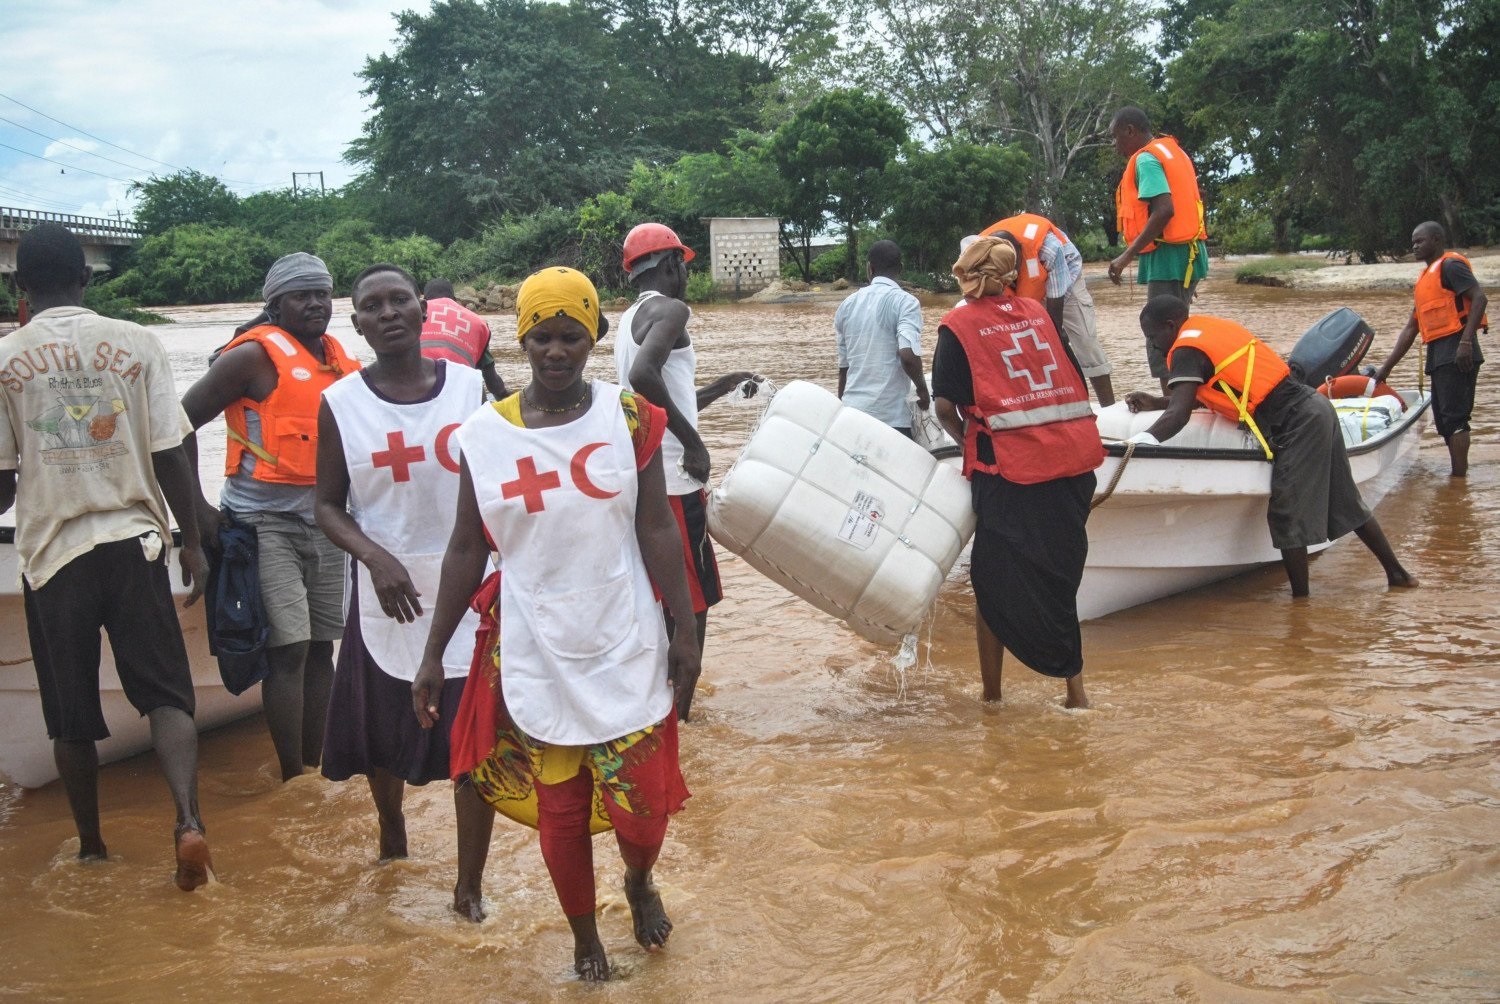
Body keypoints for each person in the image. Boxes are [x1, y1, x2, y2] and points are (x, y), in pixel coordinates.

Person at [411, 266, 702, 981]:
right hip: (537, 646)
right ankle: (584, 939)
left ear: (595, 336)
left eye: (572, 336)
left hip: (624, 635)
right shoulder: (483, 435)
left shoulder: (628, 417)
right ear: (522, 339)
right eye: (541, 338)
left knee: (642, 811)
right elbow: (465, 548)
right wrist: (430, 654)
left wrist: (685, 627)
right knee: (563, 809)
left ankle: (638, 880)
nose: (556, 352)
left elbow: (657, 525)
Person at [0, 224, 213, 890]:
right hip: (134, 544)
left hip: (51, 554)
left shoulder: (6, 359)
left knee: (69, 713)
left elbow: (4, 481)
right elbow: (169, 452)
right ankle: (186, 821)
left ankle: (91, 847)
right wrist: (194, 538)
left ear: (18, 286)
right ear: (88, 279)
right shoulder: (137, 342)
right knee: (168, 696)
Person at [314, 264, 494, 919]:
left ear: (423, 309)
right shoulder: (340, 404)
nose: (387, 312)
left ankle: (468, 884)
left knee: (474, 742)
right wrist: (373, 556)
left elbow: (506, 474)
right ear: (356, 322)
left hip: (466, 585)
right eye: (372, 305)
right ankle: (392, 831)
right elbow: (327, 506)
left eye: (398, 300)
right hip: (385, 595)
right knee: (380, 733)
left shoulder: (471, 389)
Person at [180, 253, 361, 781]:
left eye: (323, 294)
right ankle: (291, 780)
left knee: (323, 646)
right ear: (275, 304)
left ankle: (317, 768)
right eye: (301, 295)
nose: (315, 304)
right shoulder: (249, 359)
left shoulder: (338, 358)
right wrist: (198, 512)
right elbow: (174, 428)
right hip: (264, 526)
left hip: (327, 522)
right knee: (289, 648)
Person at [1125, 296, 1418, 597]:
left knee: (1286, 512)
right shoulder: (1207, 331)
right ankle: (1398, 575)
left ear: (1171, 325)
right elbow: (1216, 393)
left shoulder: (1186, 349)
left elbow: (1179, 415)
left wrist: (1134, 445)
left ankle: (1300, 606)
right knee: (1344, 501)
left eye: (1152, 336)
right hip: (1315, 409)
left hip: (1299, 422)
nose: (1153, 346)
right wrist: (1157, 402)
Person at [932, 236, 1102, 709]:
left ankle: (992, 697)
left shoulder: (959, 326)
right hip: (1073, 464)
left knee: (992, 584)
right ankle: (1075, 693)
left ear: (966, 278)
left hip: (1012, 473)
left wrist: (972, 434)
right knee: (1059, 579)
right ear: (1010, 277)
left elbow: (945, 405)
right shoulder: (1038, 313)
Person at [613, 222, 752, 718]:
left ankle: (658, 704)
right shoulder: (672, 309)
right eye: (684, 267)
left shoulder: (631, 318)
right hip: (676, 483)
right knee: (693, 603)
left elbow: (657, 397)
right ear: (671, 265)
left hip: (645, 480)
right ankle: (683, 717)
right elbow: (643, 377)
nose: (687, 278)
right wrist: (694, 445)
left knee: (661, 600)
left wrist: (720, 387)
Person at [1371, 221, 1487, 477]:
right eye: (1413, 241)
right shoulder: (1425, 279)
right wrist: (1385, 369)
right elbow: (1411, 329)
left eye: (1420, 241)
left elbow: (1480, 297)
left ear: (1436, 240)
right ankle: (1457, 480)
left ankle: (1458, 480)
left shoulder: (1450, 266)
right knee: (1444, 420)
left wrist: (1466, 342)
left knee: (1455, 419)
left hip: (1459, 350)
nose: (1415, 246)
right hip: (1439, 353)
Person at [1107, 106, 1210, 391]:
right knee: (1176, 326)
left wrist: (1127, 255)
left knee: (1159, 330)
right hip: (1186, 254)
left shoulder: (1147, 161)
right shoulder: (1172, 151)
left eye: (1116, 138)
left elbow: (1164, 209)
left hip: (1170, 256)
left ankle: (1173, 402)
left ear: (1130, 130)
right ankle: (1187, 396)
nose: (1116, 146)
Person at [979, 215, 1116, 406]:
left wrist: (1055, 335)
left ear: (1020, 250)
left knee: (1083, 340)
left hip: (1065, 279)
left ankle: (1108, 406)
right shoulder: (979, 256)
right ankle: (1045, 404)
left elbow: (1055, 302)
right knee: (1021, 345)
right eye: (1004, 268)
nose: (1011, 273)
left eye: (1013, 264)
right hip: (1025, 292)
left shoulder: (1050, 248)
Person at [832, 239, 932, 434]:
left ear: (869, 268)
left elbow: (844, 368)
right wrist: (922, 389)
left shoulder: (847, 305)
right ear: (900, 268)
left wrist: (841, 409)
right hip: (891, 416)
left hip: (852, 413)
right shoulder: (906, 303)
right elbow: (908, 355)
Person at [420, 278, 508, 400]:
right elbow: (492, 382)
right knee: (476, 383)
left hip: (416, 390)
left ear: (424, 302)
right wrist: (507, 401)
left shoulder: (414, 315)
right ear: (455, 300)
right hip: (460, 394)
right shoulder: (477, 322)